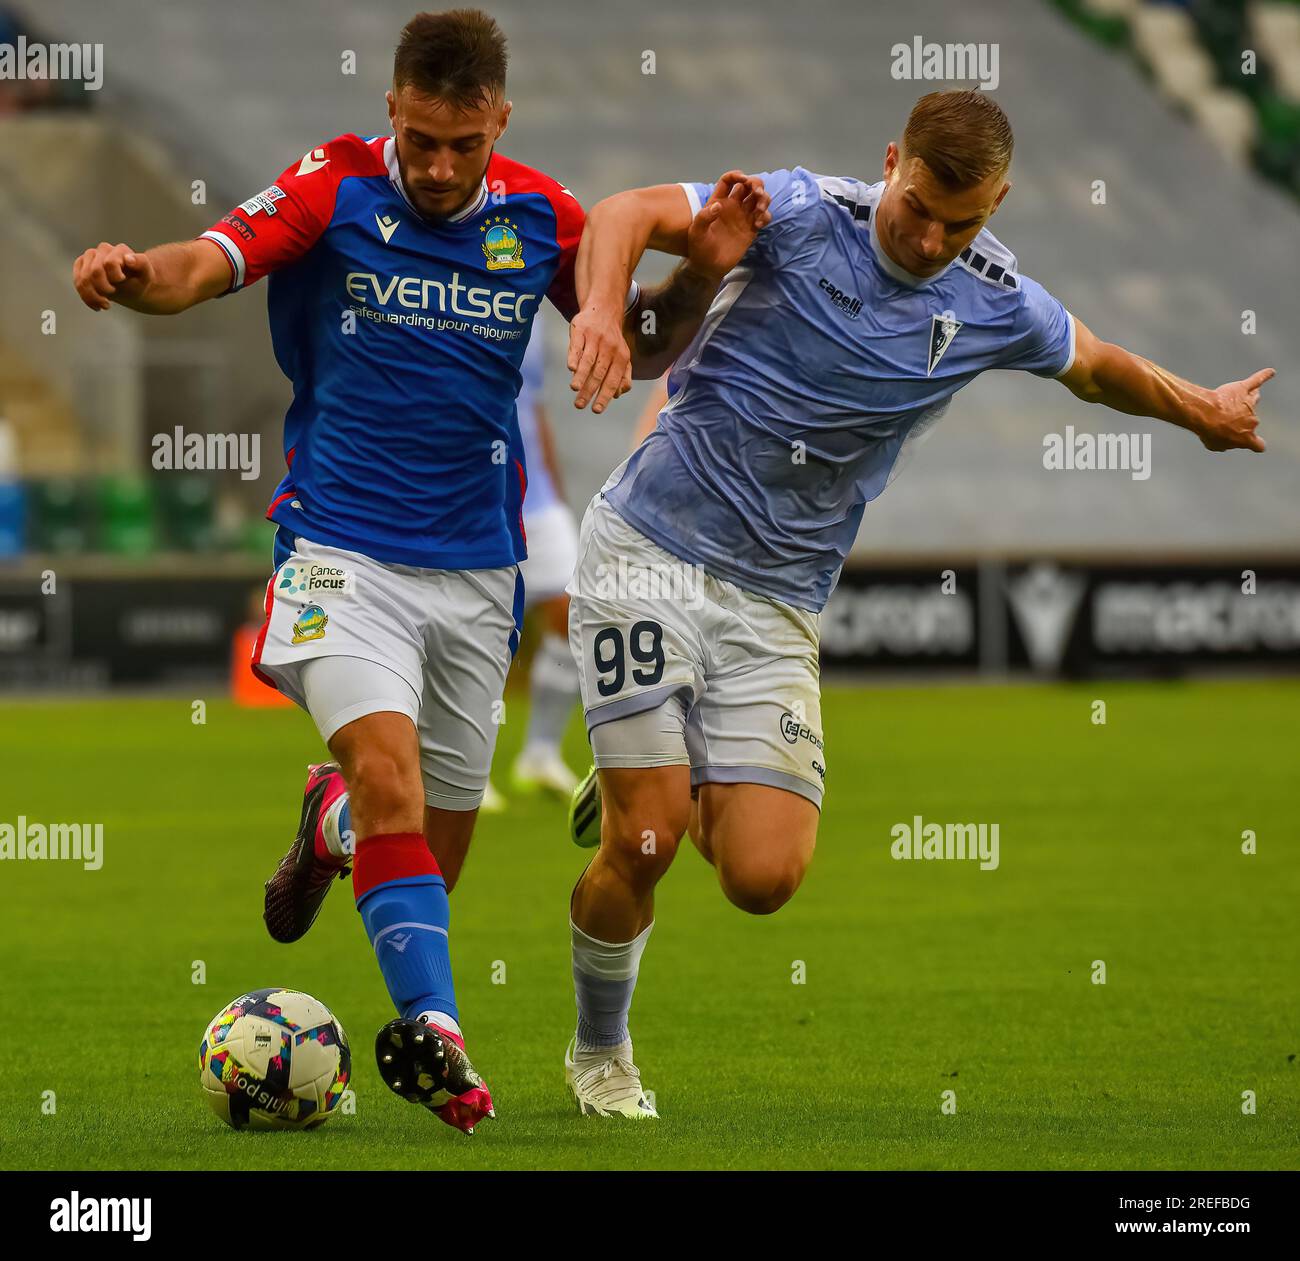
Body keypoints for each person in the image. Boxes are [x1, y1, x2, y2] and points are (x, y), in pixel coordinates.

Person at [72, 7, 768, 1135]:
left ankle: (332, 825)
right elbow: (204, 265)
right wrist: (131, 271)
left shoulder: (543, 216)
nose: (441, 168)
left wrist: (699, 282)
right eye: (422, 139)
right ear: (391, 108)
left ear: (499, 119)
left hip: (475, 568)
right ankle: (437, 1039)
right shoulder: (331, 186)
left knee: (427, 859)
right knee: (396, 780)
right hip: (340, 549)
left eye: (465, 143)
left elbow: (639, 342)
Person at [559, 88, 1272, 1118]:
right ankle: (600, 1051)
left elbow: (1098, 367)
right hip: (648, 552)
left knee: (761, 878)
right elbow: (625, 209)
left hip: (778, 600)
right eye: (917, 208)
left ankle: (657, 760)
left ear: (1000, 203)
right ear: (890, 162)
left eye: (963, 220)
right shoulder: (800, 214)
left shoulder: (994, 300)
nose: (932, 237)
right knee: (646, 843)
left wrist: (1200, 409)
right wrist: (596, 309)